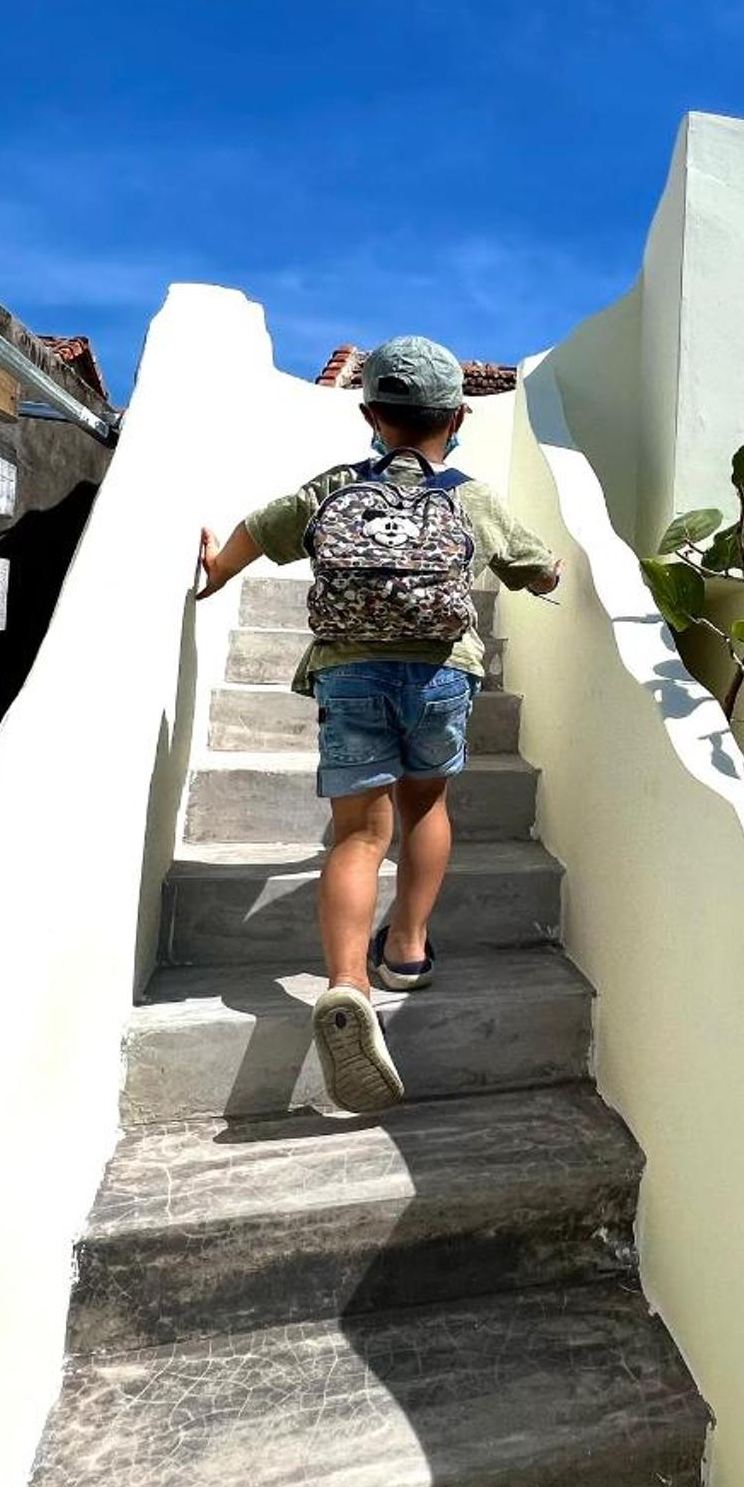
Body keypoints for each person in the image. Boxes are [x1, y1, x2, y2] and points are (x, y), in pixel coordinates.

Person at [195, 336, 560, 1112]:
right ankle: (406, 950)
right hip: (440, 674)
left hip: (350, 672)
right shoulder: (472, 497)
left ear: (369, 417)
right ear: (458, 419)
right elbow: (536, 568)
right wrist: (549, 574)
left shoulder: (334, 487)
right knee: (425, 807)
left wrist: (217, 572)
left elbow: (259, 529)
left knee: (359, 834)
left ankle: (346, 984)